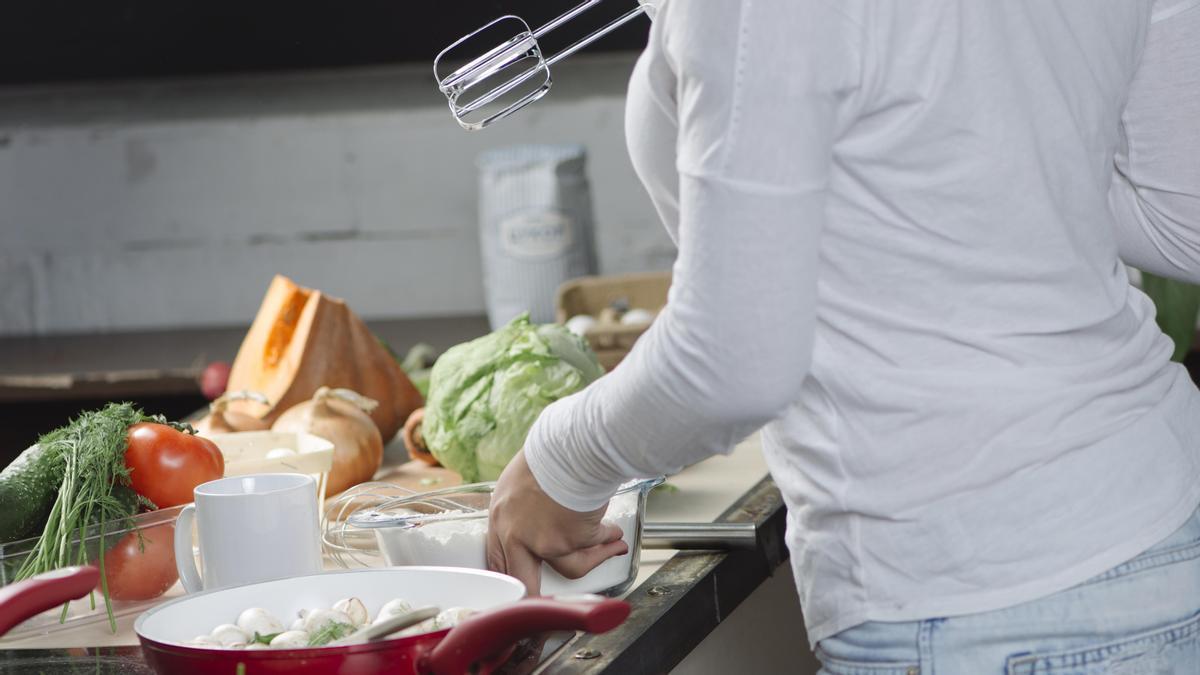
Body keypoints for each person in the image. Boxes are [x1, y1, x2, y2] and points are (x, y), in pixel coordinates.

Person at [486, 1, 1200, 671]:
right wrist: (978, 154)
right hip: (1165, 536)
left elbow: (732, 361)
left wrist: (560, 461)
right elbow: (1185, 219)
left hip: (972, 590)